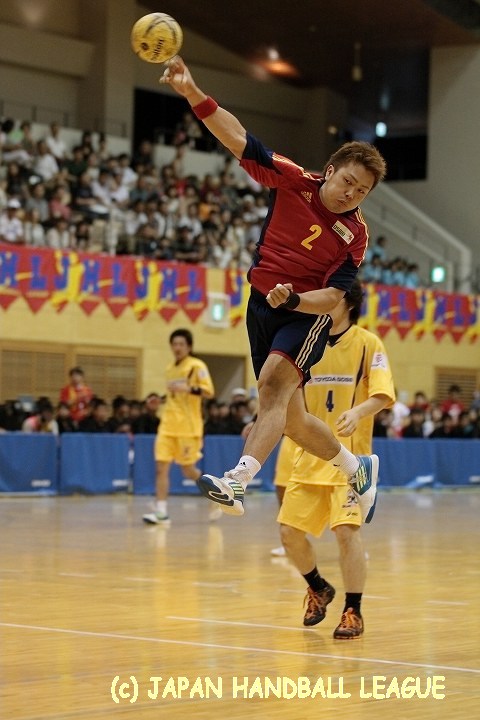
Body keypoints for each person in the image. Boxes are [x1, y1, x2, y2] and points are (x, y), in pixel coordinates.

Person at [160, 56, 387, 522]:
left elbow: (335, 298)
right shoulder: (292, 180)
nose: (350, 194)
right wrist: (192, 92)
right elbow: (237, 138)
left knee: (271, 385)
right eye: (348, 182)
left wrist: (297, 300)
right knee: (293, 419)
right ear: (330, 170)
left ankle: (238, 480)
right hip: (260, 304)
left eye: (362, 191)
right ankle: (355, 467)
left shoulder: (356, 235)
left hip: (305, 315)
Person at [275, 281, 395, 636]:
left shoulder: (368, 343)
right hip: (309, 454)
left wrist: (358, 412)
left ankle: (353, 610)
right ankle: (318, 587)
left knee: (346, 532)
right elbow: (283, 393)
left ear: (347, 302)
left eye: (329, 297)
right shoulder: (304, 343)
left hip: (351, 461)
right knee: (288, 533)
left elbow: (383, 394)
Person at [142, 328, 217, 525]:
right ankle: (161, 512)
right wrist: (159, 401)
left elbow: (209, 391)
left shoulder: (196, 366)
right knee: (161, 468)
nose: (177, 348)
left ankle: (216, 494)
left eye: (181, 344)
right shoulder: (170, 368)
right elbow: (173, 396)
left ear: (189, 347)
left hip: (188, 427)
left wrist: (189, 388)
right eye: (174, 344)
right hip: (167, 425)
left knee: (188, 470)